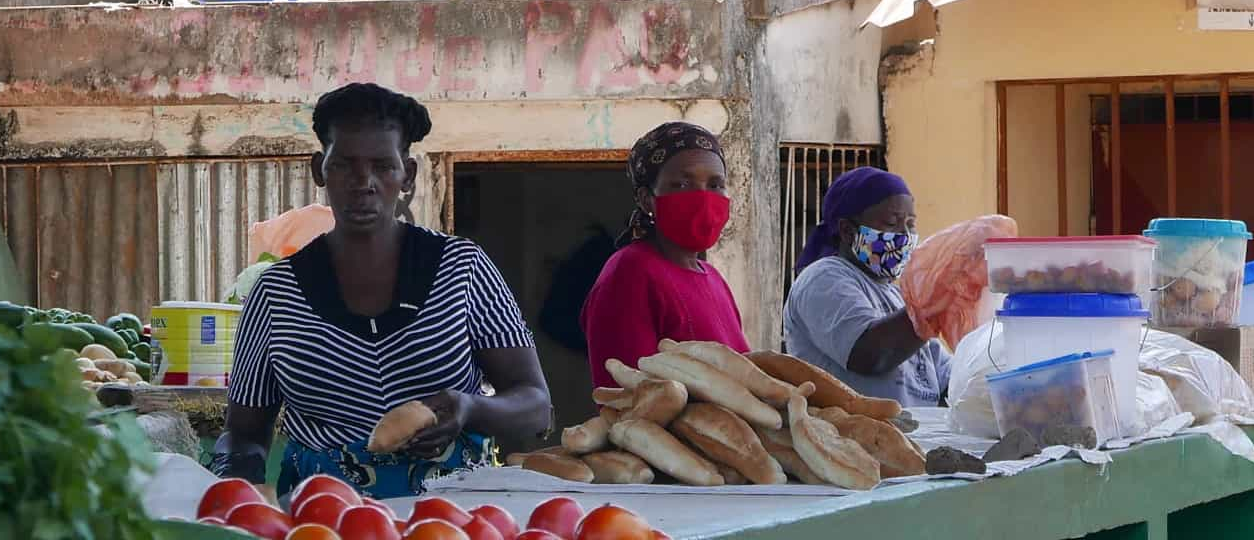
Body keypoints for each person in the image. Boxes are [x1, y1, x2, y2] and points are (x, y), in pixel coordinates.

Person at [211, 83, 551, 498]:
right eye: (344, 166)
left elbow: (535, 407)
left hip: (452, 520)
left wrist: (470, 408)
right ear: (320, 169)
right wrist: (233, 492)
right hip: (321, 520)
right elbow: (243, 434)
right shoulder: (276, 294)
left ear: (407, 174)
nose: (363, 182)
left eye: (382, 166)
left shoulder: (463, 269)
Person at [581, 122, 749, 390]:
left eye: (715, 184)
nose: (703, 197)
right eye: (683, 183)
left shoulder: (713, 277)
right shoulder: (629, 273)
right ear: (647, 199)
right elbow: (629, 397)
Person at [783, 167, 950, 407]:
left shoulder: (898, 296)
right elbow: (870, 356)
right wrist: (933, 303)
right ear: (848, 231)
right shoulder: (823, 279)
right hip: (852, 439)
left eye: (910, 224)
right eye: (892, 223)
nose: (904, 235)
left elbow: (946, 379)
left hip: (913, 439)